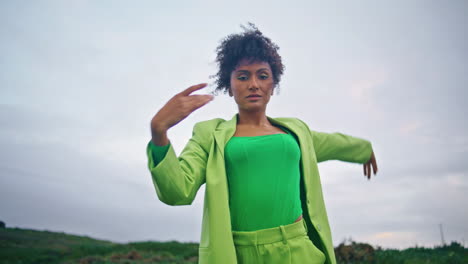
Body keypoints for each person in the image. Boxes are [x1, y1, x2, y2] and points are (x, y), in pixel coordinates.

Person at [146, 23, 378, 264]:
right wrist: (159, 132)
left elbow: (334, 143)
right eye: (243, 76)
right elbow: (177, 191)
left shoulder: (295, 132)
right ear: (229, 86)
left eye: (262, 75)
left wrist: (364, 149)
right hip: (240, 254)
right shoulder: (209, 134)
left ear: (273, 85)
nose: (253, 84)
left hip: (299, 250)